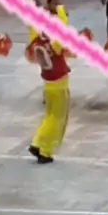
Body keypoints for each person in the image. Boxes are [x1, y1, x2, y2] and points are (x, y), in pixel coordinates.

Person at [28, 28, 71, 164]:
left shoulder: (36, 41)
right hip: (59, 84)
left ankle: (37, 142)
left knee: (49, 116)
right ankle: (45, 151)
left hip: (47, 83)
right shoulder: (55, 41)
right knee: (57, 120)